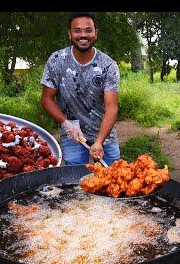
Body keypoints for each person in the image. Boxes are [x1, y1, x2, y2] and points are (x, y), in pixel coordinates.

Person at [40, 12, 121, 165]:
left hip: (104, 133)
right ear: (70, 34)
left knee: (114, 179)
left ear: (96, 34)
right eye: (77, 30)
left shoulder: (108, 65)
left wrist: (99, 142)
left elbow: (112, 107)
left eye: (88, 30)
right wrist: (65, 123)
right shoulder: (57, 60)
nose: (83, 35)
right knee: (75, 182)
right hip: (72, 135)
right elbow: (46, 99)